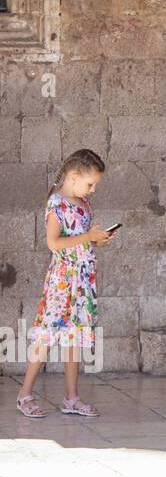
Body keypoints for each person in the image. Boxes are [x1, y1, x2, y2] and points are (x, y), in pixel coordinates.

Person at [17, 150, 113, 419]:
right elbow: (54, 243)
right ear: (74, 177)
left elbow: (79, 240)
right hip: (62, 281)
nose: (92, 190)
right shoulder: (56, 205)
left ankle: (71, 398)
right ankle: (24, 394)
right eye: (90, 184)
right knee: (47, 335)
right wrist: (86, 237)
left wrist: (96, 240)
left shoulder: (83, 205)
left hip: (82, 282)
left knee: (75, 336)